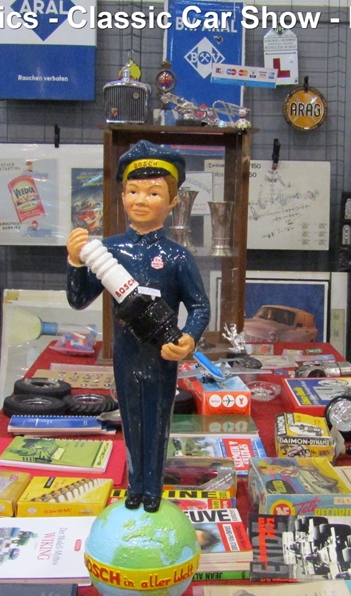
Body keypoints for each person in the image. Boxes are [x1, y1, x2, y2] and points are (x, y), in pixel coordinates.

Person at [66, 140, 210, 513]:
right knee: (131, 419)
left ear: (172, 202)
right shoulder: (108, 251)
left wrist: (189, 338)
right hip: (126, 353)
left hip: (162, 354)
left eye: (153, 192)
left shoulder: (177, 256)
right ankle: (136, 485)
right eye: (133, 191)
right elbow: (79, 299)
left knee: (158, 420)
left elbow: (199, 305)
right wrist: (76, 262)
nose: (141, 200)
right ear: (122, 196)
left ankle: (153, 488)